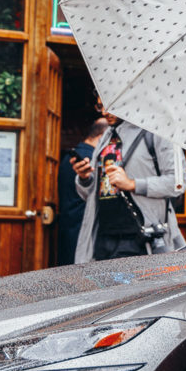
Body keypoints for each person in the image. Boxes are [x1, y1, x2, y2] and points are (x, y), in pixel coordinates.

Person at [71, 111, 186, 262]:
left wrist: (132, 184)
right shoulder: (106, 137)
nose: (104, 111)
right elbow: (91, 194)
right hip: (102, 236)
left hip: (140, 236)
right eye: (101, 105)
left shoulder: (157, 132)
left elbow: (178, 182)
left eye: (111, 106)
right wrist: (84, 178)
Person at [56, 114, 108, 266]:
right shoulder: (91, 159)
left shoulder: (71, 156)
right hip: (85, 225)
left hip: (68, 223)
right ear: (102, 136)